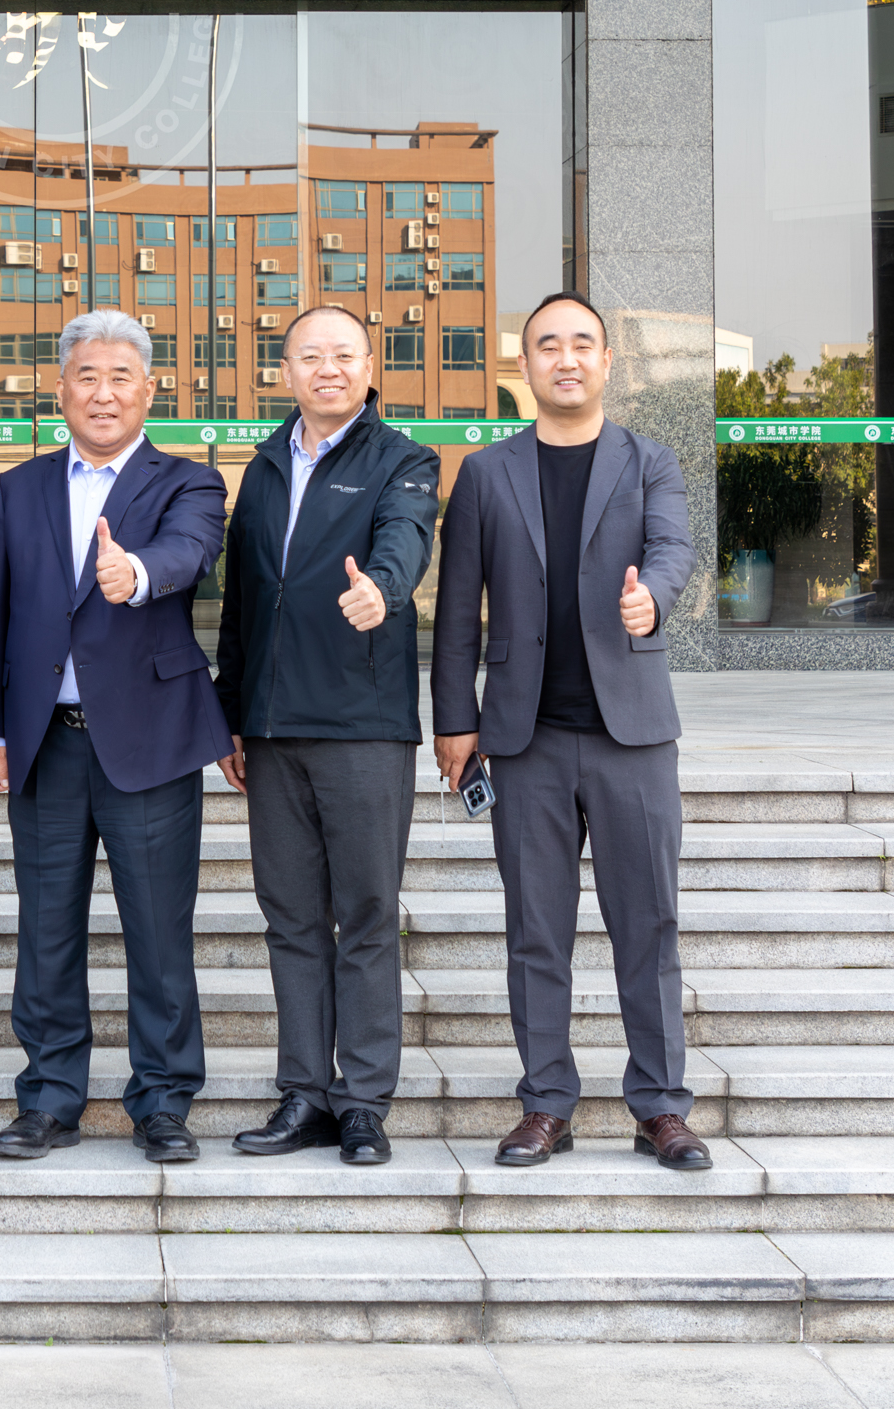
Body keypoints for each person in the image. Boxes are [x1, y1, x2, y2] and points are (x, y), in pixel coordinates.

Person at [431, 291, 705, 1171]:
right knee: (536, 932)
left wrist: (650, 596)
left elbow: (673, 549)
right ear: (525, 365)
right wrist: (454, 722)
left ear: (607, 360)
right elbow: (457, 613)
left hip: (632, 736)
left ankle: (660, 1107)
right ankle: (546, 1103)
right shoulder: (486, 474)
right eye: (547, 345)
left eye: (583, 343)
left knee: (648, 926)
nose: (566, 358)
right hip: (525, 740)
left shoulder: (650, 461)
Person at [0, 309, 231, 1164]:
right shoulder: (18, 489)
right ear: (61, 390)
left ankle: (163, 1100)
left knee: (159, 933)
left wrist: (137, 571)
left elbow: (190, 553)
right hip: (44, 744)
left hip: (150, 743)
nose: (104, 392)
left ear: (149, 390)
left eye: (121, 377)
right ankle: (49, 1096)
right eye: (87, 376)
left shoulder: (189, 482)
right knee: (46, 931)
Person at [212, 304, 440, 1167]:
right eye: (311, 356)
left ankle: (364, 1104)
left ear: (370, 367)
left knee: (368, 914)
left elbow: (405, 540)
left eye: (345, 355)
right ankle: (304, 1093)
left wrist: (382, 589)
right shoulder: (265, 466)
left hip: (362, 726)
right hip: (272, 732)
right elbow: (242, 602)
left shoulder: (403, 460)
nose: (329, 369)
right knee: (291, 918)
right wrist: (230, 712)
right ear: (286, 372)